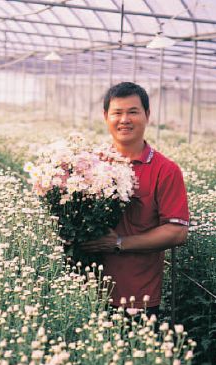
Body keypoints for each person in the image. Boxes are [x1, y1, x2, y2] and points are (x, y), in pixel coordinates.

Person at [81, 82, 189, 316]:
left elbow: (177, 232)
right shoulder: (88, 164)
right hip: (83, 291)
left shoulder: (165, 170)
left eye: (133, 112)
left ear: (147, 115)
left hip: (137, 296)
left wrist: (119, 243)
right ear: (105, 117)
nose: (124, 119)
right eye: (117, 113)